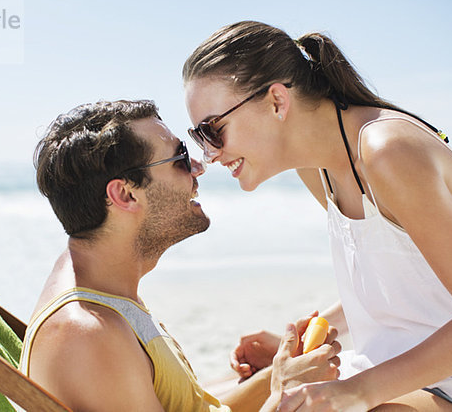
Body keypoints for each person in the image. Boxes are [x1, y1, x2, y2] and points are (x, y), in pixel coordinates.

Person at [183, 20, 452, 411]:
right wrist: (311, 336)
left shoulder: (388, 152)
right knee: (215, 393)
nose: (210, 154)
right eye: (198, 137)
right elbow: (396, 280)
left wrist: (357, 393)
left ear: (276, 101)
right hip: (391, 370)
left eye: (213, 130)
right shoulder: (315, 164)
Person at [18, 100, 341, 412]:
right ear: (126, 194)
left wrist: (282, 374)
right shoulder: (89, 334)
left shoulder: (103, 291)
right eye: (181, 159)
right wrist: (284, 394)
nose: (200, 168)